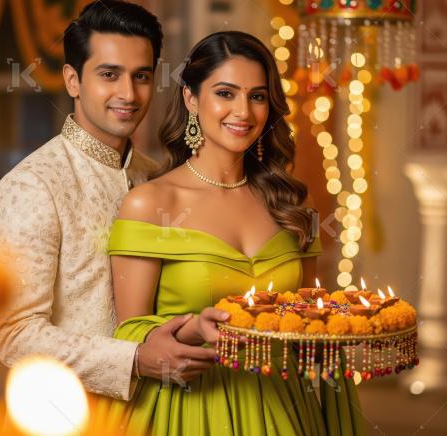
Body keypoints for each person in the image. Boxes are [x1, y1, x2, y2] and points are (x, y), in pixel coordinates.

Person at [93, 31, 368, 435]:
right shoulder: (151, 203)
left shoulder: (292, 207)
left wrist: (346, 321)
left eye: (257, 96)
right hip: (191, 406)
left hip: (288, 400)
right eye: (225, 93)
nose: (243, 111)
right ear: (191, 99)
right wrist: (193, 328)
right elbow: (130, 333)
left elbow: (307, 318)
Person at [0, 0, 221, 404]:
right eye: (109, 75)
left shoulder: (158, 176)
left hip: (166, 412)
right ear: (73, 80)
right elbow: (15, 335)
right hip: (66, 417)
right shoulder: (32, 187)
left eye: (141, 76)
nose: (128, 94)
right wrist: (134, 359)